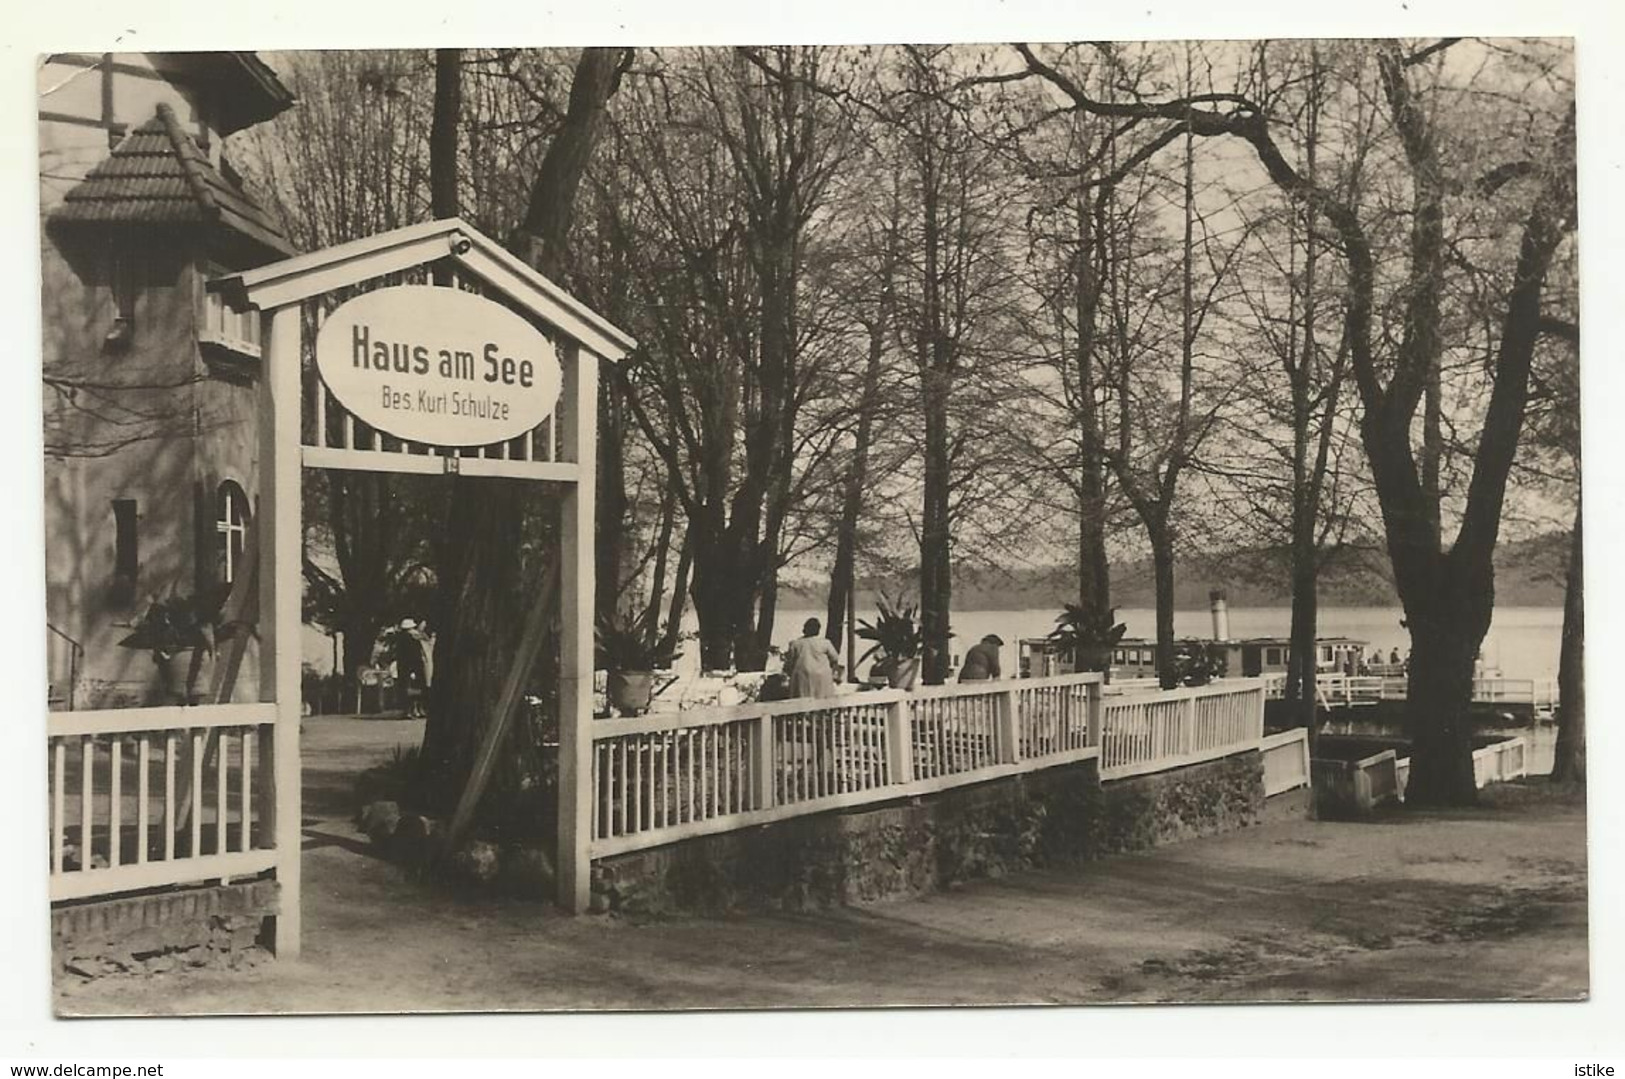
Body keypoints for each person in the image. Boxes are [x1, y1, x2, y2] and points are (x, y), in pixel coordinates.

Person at [783, 618, 840, 699]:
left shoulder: (796, 644)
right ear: (818, 630)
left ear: (805, 629)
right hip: (822, 677)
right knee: (822, 701)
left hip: (802, 677)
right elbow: (835, 658)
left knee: (802, 700)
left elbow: (790, 661)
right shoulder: (825, 643)